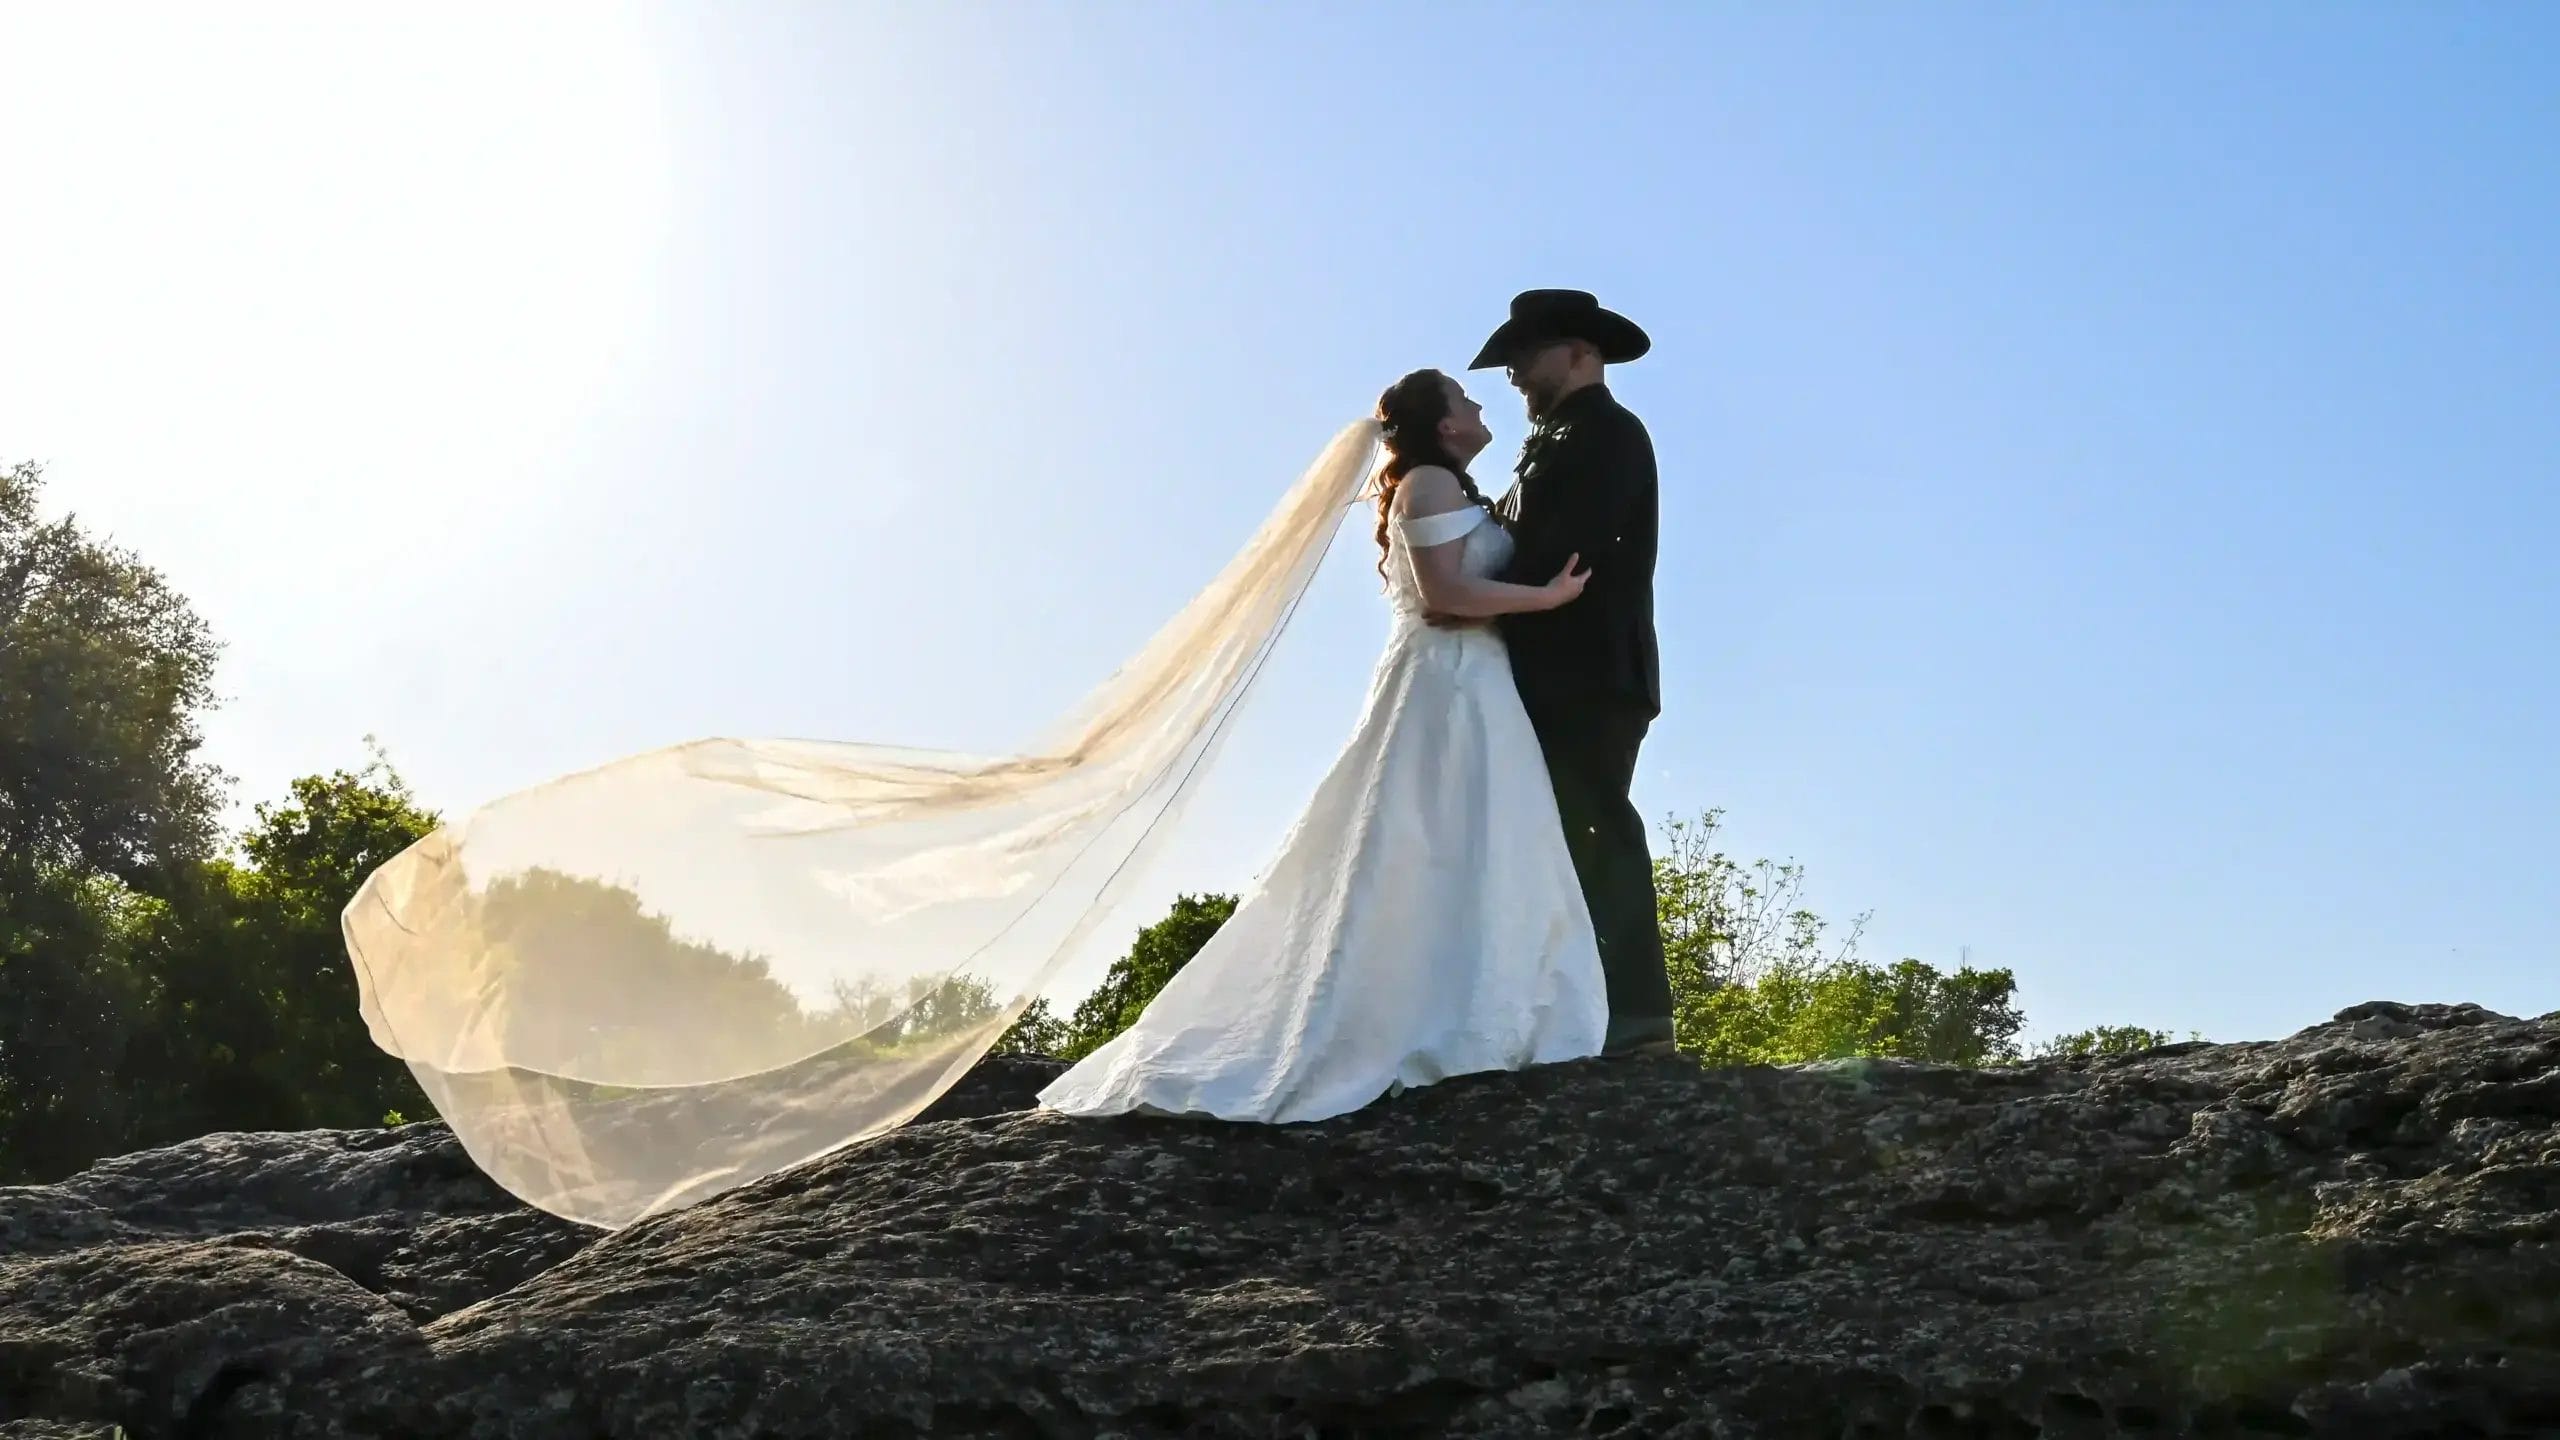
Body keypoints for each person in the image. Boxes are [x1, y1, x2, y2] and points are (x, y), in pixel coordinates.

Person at [1036, 367, 1610, 1121]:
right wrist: (1546, 598)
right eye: (1464, 400)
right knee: (1423, 839)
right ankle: (1407, 1018)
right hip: (1444, 686)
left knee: (1479, 839)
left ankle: (1478, 1002)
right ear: (1443, 425)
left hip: (1478, 686)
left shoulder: (1452, 487)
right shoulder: (1429, 484)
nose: (1477, 405)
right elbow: (1443, 598)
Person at [1468, 289, 1677, 1056]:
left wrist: (1468, 579)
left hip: (1590, 669)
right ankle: (1571, 1016)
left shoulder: (1610, 435)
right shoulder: (1560, 436)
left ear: (1580, 354)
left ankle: (1635, 1019)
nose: (1515, 374)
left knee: (1594, 826)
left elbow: (1567, 549)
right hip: (1554, 667)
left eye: (1526, 356)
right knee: (1555, 835)